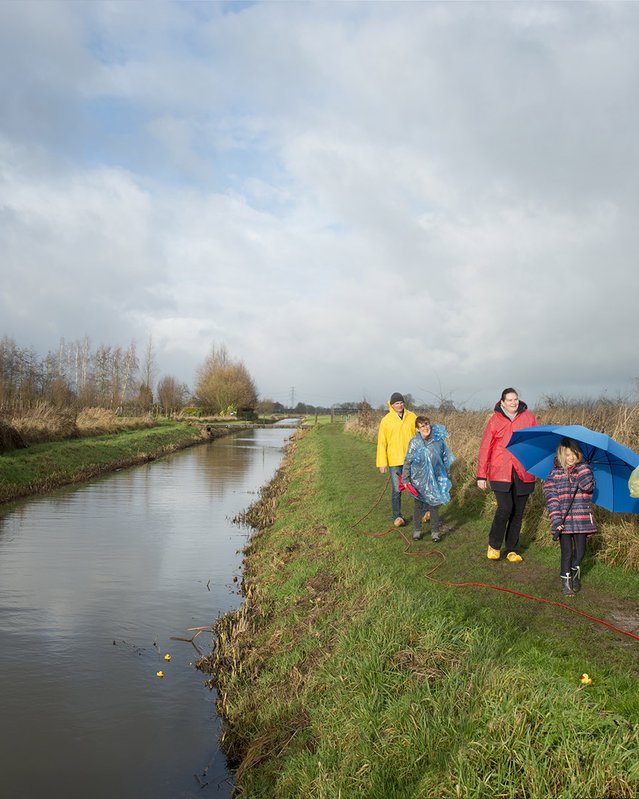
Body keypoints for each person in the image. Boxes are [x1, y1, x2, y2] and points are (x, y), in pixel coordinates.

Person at [476, 387, 539, 562]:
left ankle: (512, 549)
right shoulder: (495, 420)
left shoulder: (529, 417)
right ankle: (494, 545)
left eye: (515, 399)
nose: (513, 402)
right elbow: (485, 447)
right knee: (505, 508)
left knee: (518, 512)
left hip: (523, 471)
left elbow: (538, 442)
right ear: (502, 402)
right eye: (509, 400)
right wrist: (481, 475)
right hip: (500, 471)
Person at [543, 439, 596, 596]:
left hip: (582, 519)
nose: (571, 457)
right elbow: (552, 499)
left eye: (574, 453)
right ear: (561, 455)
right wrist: (556, 520)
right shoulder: (554, 475)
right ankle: (566, 581)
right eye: (567, 455)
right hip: (564, 522)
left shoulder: (584, 469)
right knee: (567, 552)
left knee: (580, 552)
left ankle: (574, 572)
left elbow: (588, 487)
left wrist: (582, 470)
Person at [402, 416, 455, 543]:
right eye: (422, 426)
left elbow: (445, 459)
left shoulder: (438, 441)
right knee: (418, 505)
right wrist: (405, 479)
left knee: (434, 505)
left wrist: (447, 475)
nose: (426, 428)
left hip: (436, 478)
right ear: (417, 429)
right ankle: (417, 530)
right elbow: (407, 462)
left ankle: (435, 532)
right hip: (418, 479)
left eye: (427, 424)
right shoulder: (414, 442)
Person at [376, 392, 417, 526]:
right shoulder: (386, 420)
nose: (399, 405)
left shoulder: (412, 417)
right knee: (397, 490)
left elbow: (419, 437)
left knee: (415, 487)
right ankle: (397, 517)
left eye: (401, 403)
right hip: (394, 461)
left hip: (411, 459)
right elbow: (382, 443)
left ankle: (423, 512)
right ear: (392, 405)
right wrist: (382, 463)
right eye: (396, 403)